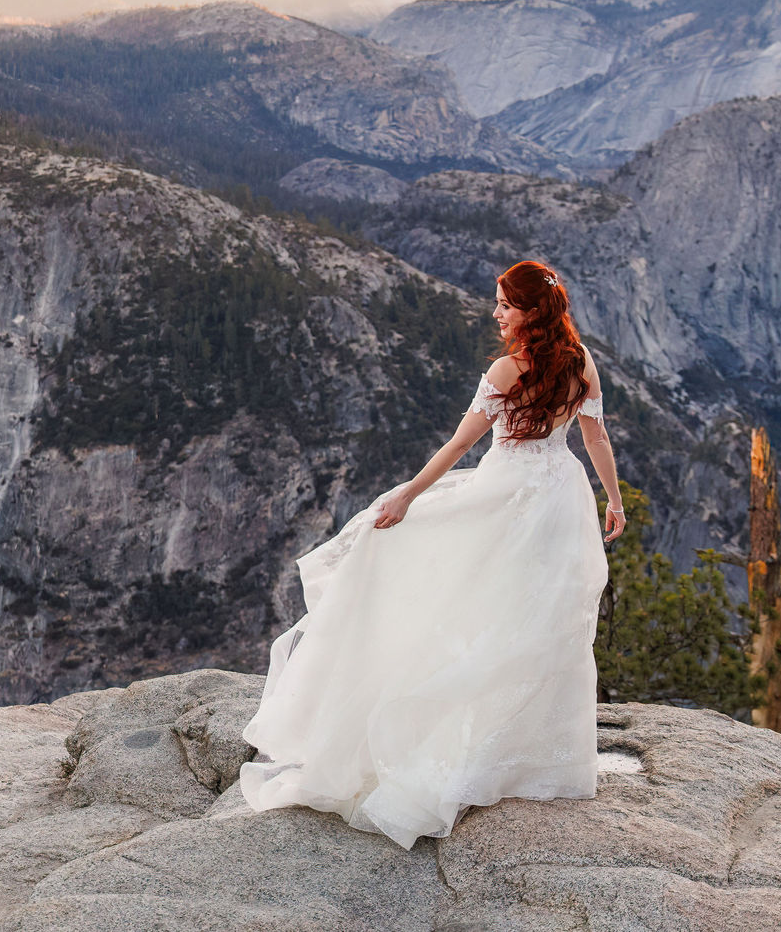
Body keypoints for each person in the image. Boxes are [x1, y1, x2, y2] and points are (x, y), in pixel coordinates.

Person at [238, 259, 625, 849]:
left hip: (506, 497)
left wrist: (407, 497)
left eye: (503, 303)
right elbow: (594, 436)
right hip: (560, 497)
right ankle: (536, 757)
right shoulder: (580, 362)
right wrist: (612, 500)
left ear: (529, 310)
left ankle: (467, 748)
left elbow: (458, 445)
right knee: (539, 623)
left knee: (479, 613)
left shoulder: (505, 369)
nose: (495, 313)